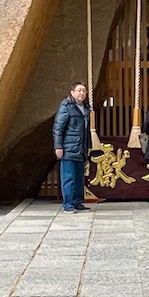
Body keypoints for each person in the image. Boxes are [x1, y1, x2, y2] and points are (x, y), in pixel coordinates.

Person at [53, 81, 94, 212]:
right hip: (68, 148)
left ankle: (77, 202)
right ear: (72, 92)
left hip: (80, 148)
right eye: (79, 90)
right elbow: (58, 128)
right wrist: (58, 146)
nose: (82, 93)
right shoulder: (66, 106)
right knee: (68, 177)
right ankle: (68, 204)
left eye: (84, 91)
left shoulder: (86, 108)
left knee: (78, 177)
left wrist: (88, 146)